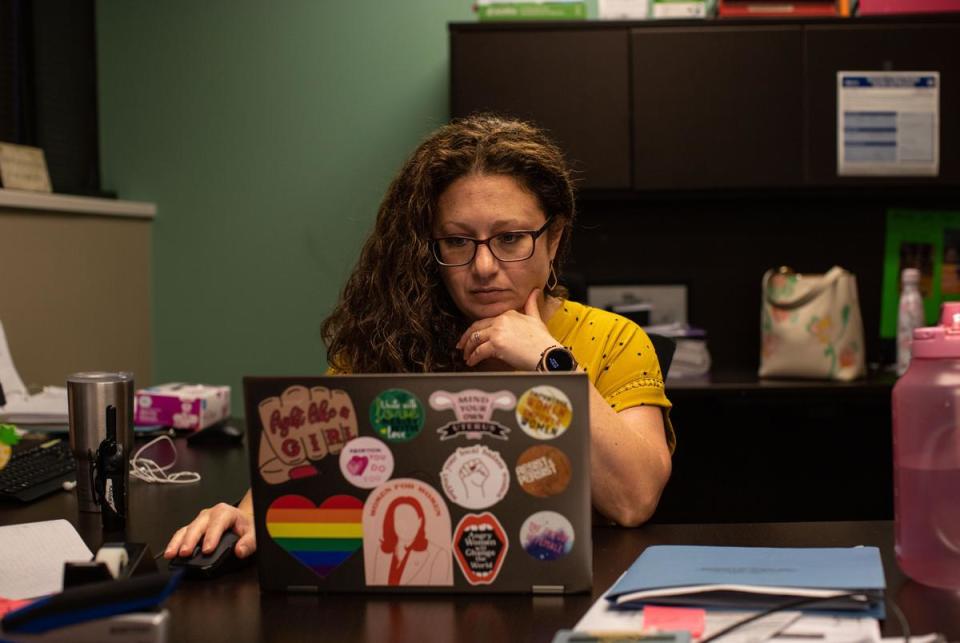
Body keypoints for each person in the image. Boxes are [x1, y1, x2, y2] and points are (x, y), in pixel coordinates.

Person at [164, 114, 674, 563]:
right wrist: (245, 514)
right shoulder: (385, 337)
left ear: (554, 236)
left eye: (510, 238)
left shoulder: (613, 339)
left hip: (569, 592)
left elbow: (634, 500)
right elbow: (304, 463)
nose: (483, 267)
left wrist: (546, 359)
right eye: (457, 241)